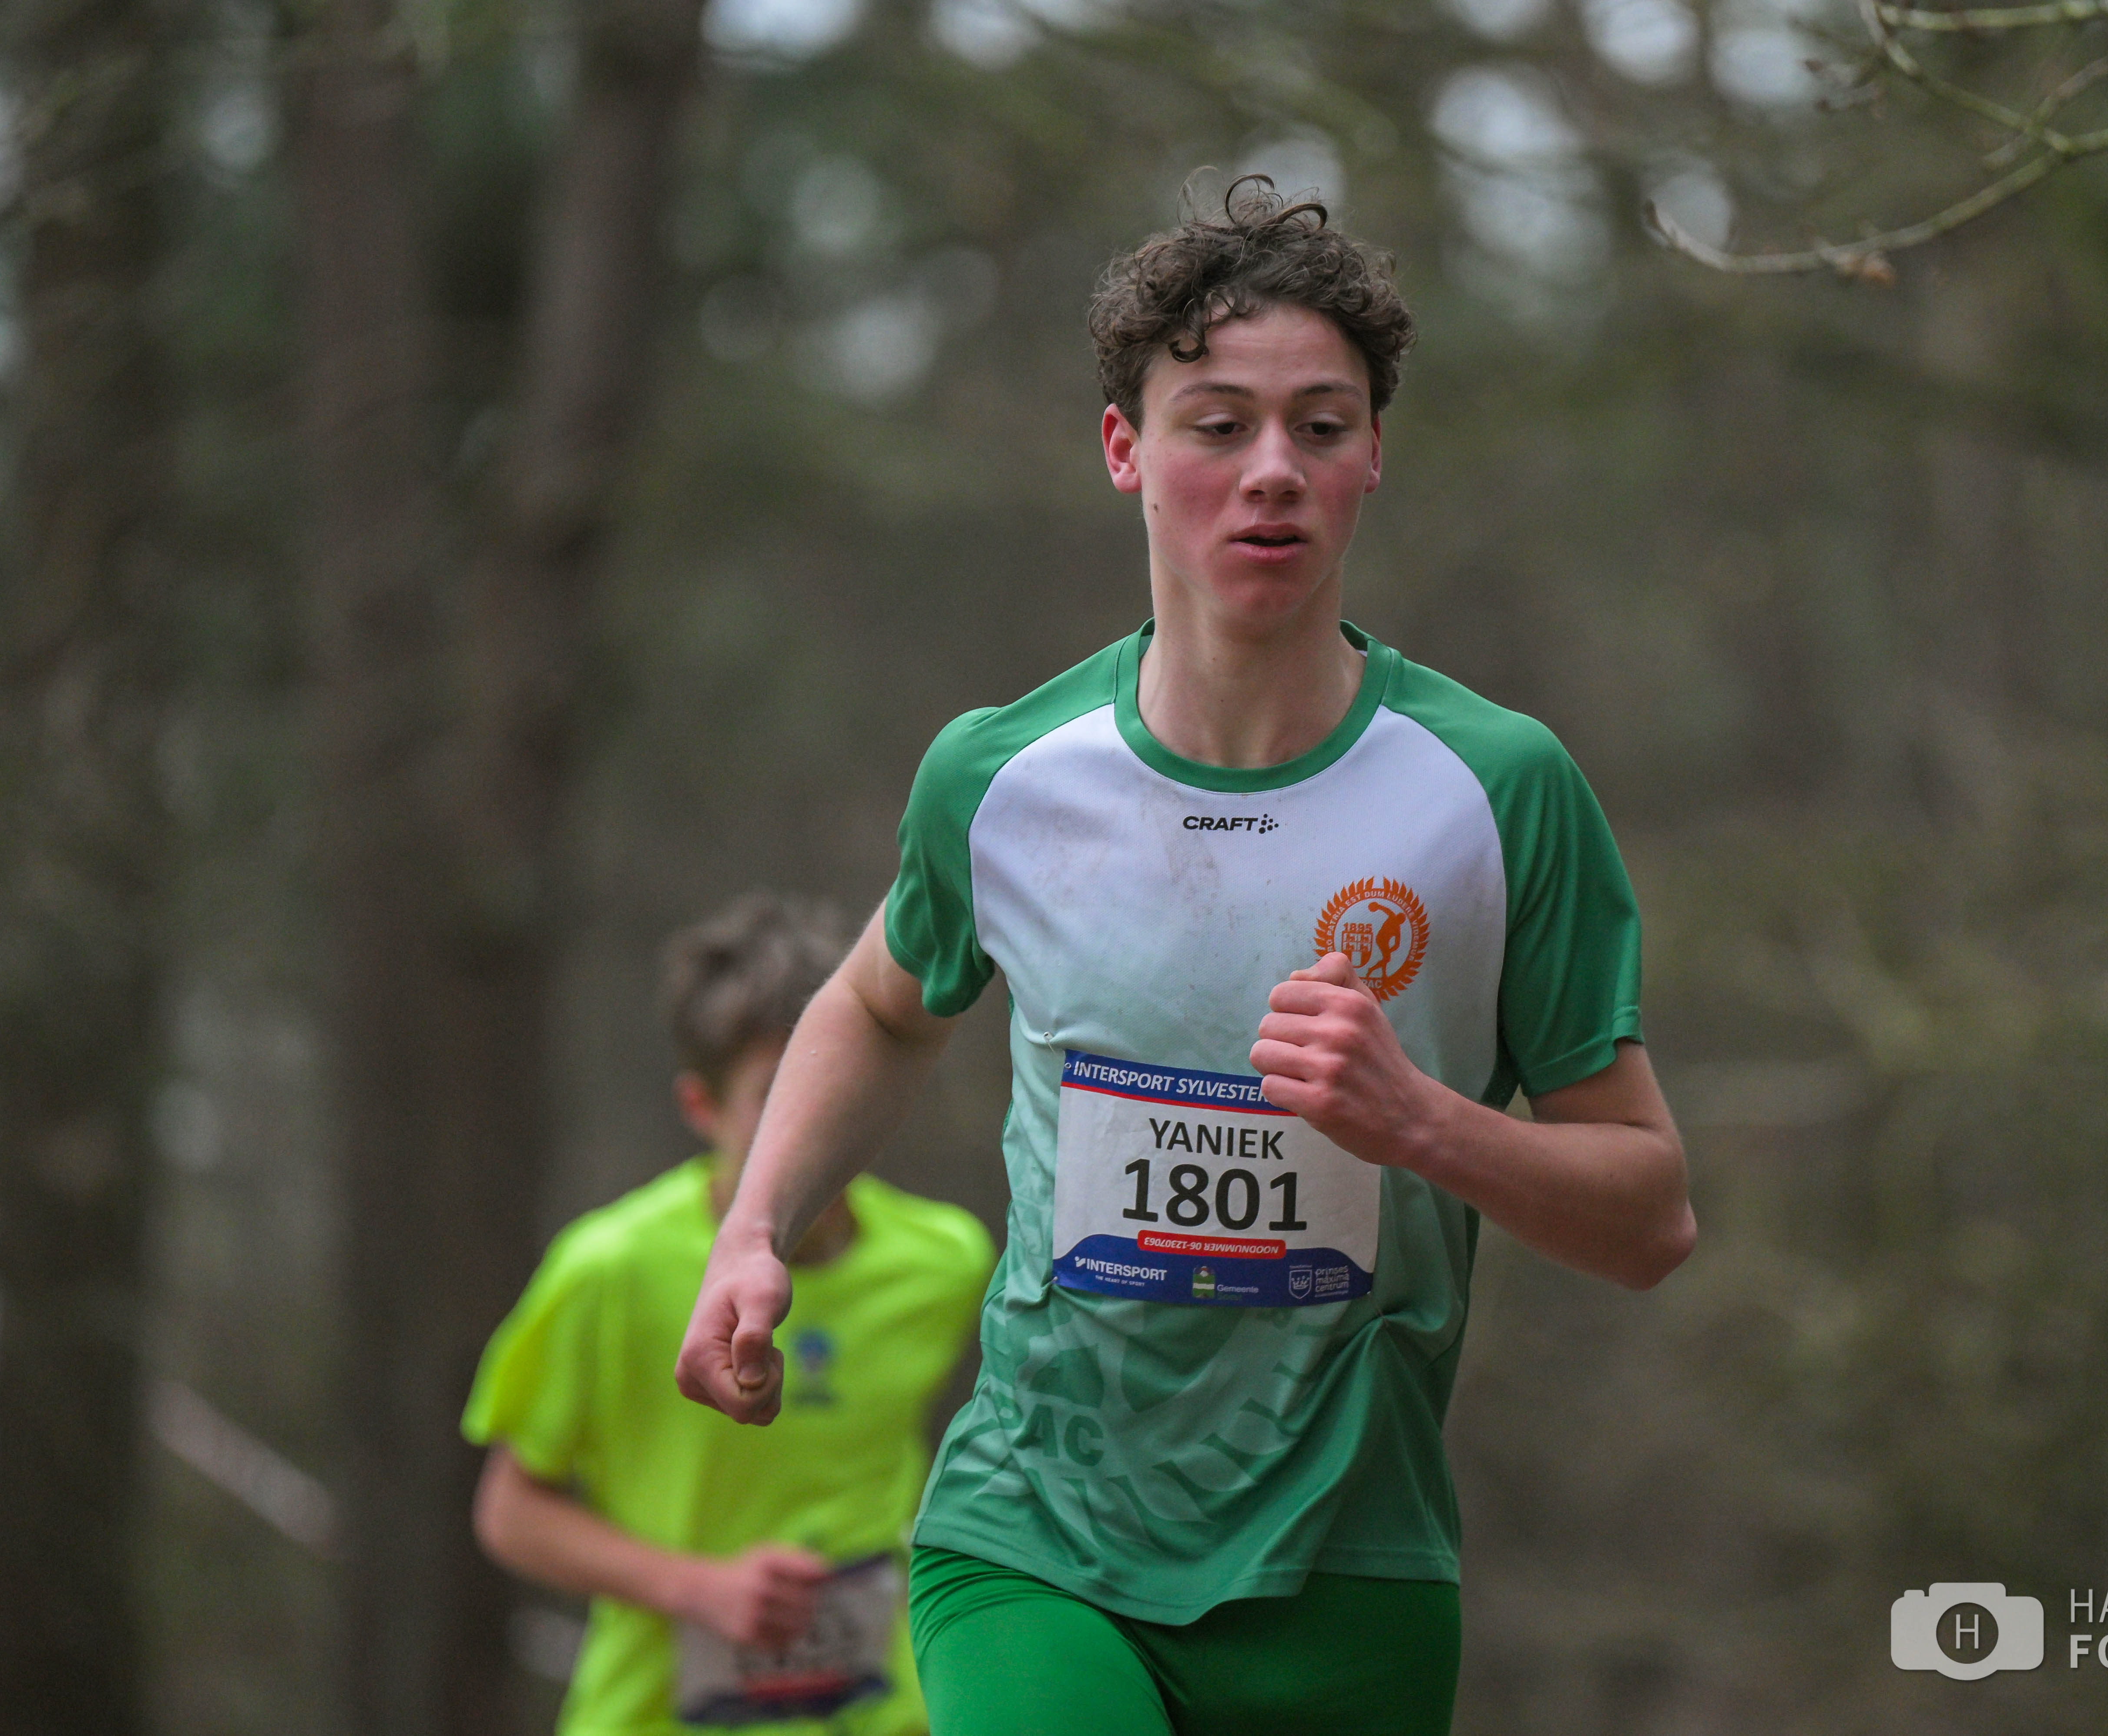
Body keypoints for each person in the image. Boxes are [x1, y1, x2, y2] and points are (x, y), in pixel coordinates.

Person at [674, 180, 1696, 1736]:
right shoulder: (1003, 777)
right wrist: (755, 1226)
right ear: (1124, 451)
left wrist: (1419, 1123)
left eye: (1320, 427)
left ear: (1372, 456)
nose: (1272, 470)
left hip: (1351, 1562)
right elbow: (881, 1003)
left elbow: (1649, 1218)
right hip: (1037, 1533)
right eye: (1218, 426)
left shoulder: (1496, 792)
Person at [466, 893, 995, 1735]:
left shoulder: (946, 1261)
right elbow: (510, 1511)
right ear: (700, 1108)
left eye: (832, 1081)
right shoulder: (611, 1268)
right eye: (774, 1093)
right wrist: (699, 1588)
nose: (809, 1117)